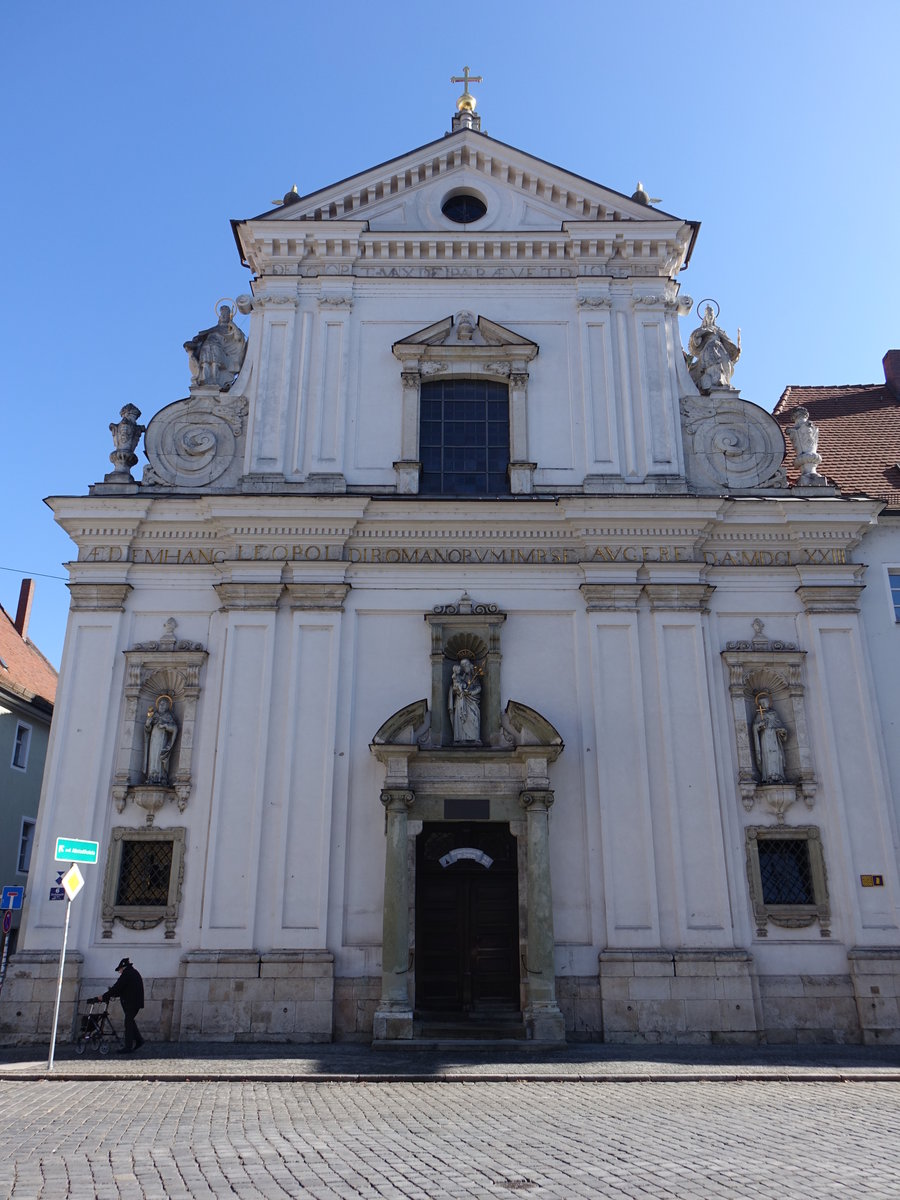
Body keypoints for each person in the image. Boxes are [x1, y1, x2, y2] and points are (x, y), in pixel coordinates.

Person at [184, 303, 246, 390]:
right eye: (222, 314)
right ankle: (205, 381)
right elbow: (200, 336)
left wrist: (233, 325)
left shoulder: (231, 329)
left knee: (215, 364)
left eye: (226, 314)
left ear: (229, 316)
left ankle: (214, 381)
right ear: (219, 316)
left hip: (217, 348)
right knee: (205, 363)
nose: (224, 316)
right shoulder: (213, 329)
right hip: (206, 347)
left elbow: (238, 337)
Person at [92, 957, 145, 1053]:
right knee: (130, 1021)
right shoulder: (132, 973)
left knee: (128, 1023)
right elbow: (122, 988)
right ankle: (139, 1040)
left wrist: (104, 997)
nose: (119, 972)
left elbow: (117, 987)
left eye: (119, 970)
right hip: (135, 1002)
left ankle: (128, 1047)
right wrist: (110, 994)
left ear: (123, 967)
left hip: (131, 1003)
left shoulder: (127, 974)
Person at [687, 304, 741, 392]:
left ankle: (722, 380)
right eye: (708, 314)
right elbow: (696, 341)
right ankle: (714, 381)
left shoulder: (718, 330)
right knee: (713, 362)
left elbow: (727, 341)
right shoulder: (701, 330)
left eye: (711, 314)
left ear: (714, 316)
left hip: (719, 348)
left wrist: (735, 351)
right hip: (709, 349)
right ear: (705, 317)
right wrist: (704, 332)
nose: (710, 316)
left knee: (724, 363)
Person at [752, 694, 788, 784]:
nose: (767, 704)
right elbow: (754, 727)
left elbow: (779, 726)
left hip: (774, 738)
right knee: (767, 756)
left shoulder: (774, 714)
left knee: (777, 755)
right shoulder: (759, 715)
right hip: (765, 738)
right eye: (765, 702)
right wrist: (759, 725)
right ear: (761, 704)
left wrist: (782, 731)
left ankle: (779, 775)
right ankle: (768, 776)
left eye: (768, 702)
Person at [144, 695, 179, 785]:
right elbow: (147, 730)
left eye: (164, 704)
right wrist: (148, 723)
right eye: (160, 704)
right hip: (153, 739)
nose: (161, 706)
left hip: (162, 739)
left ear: (167, 706)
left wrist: (165, 726)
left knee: (160, 756)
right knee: (153, 756)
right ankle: (151, 776)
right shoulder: (154, 715)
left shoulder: (168, 716)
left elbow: (174, 728)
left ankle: (161, 776)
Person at [448, 657, 482, 744]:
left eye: (466, 664)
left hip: (472, 701)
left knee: (473, 717)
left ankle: (474, 738)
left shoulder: (474, 678)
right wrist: (458, 690)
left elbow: (479, 688)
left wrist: (470, 693)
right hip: (461, 700)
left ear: (470, 665)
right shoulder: (460, 677)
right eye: (462, 665)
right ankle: (460, 738)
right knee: (460, 718)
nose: (464, 666)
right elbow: (454, 688)